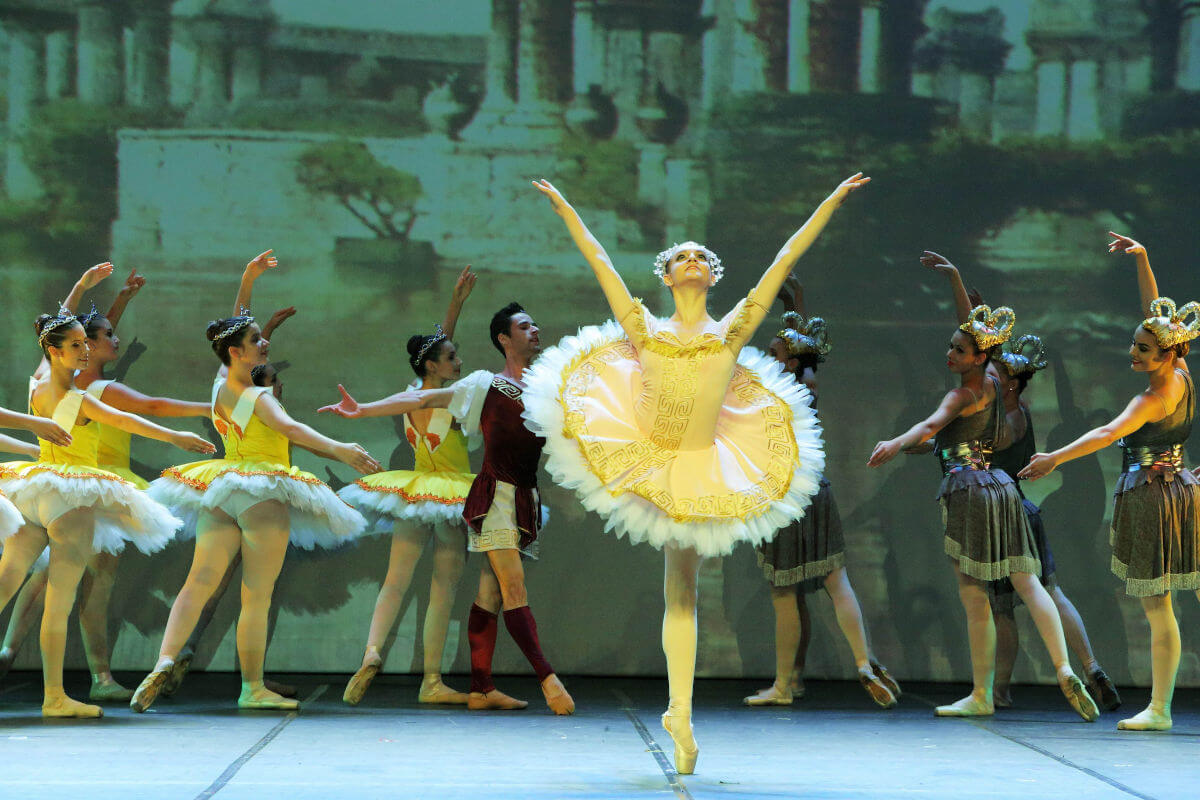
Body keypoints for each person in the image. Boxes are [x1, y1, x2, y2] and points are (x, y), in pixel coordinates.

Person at [517, 174, 863, 774]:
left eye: (702, 255)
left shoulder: (732, 331)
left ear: (712, 275)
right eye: (683, 257)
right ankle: (680, 711)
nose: (694, 260)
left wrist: (829, 201)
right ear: (668, 276)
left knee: (685, 591)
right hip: (650, 455)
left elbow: (784, 259)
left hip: (703, 466)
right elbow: (599, 260)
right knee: (678, 591)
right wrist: (566, 206)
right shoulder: (644, 328)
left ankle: (681, 713)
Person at [133, 252, 381, 712]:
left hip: (223, 489)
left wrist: (247, 279)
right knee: (256, 595)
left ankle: (164, 660)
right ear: (236, 352)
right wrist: (341, 449)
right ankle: (252, 687)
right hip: (261, 492)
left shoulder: (220, 386)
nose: (264, 341)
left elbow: (233, 326)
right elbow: (293, 430)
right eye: (256, 340)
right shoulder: (257, 396)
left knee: (197, 582)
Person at [321, 300, 574, 716]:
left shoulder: (541, 386)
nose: (535, 330)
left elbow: (425, 382)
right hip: (480, 494)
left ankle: (466, 683)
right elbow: (427, 395)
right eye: (525, 326)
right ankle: (540, 680)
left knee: (474, 592)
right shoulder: (480, 387)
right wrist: (363, 409)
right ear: (504, 339)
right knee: (475, 588)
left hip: (488, 495)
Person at [868, 282, 1099, 722]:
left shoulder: (962, 394)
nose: (949, 354)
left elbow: (930, 424)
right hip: (1002, 486)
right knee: (1028, 584)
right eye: (950, 346)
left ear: (978, 358)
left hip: (968, 490)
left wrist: (895, 442)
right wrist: (957, 282)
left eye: (958, 350)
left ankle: (981, 694)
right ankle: (1065, 668)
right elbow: (978, 339)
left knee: (975, 596)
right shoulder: (994, 382)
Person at [0, 266, 212, 702]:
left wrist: (83, 288)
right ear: (61, 350)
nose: (86, 349)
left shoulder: (40, 383)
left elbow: (63, 333)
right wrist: (181, 432)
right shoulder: (84, 397)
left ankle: (25, 662)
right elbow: (136, 417)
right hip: (75, 497)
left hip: (35, 490)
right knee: (64, 596)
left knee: (15, 582)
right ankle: (64, 691)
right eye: (79, 345)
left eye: (87, 343)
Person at [920, 252, 1120, 711]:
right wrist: (965, 294)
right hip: (1015, 506)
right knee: (1042, 591)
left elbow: (977, 363)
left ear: (1008, 382)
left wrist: (933, 441)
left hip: (999, 508)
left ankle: (998, 689)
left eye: (995, 371)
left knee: (1003, 603)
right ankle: (1084, 668)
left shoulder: (1007, 413)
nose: (988, 373)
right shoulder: (1009, 403)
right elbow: (977, 344)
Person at [1020, 232, 1200, 731]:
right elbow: (1156, 316)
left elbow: (1106, 433)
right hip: (1180, 490)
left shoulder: (1151, 399)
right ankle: (1160, 707)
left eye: (1143, 349)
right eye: (1134, 344)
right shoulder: (1182, 373)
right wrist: (1142, 260)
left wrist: (1054, 457)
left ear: (1165, 354)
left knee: (1159, 607)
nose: (1133, 352)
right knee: (1172, 602)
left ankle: (1160, 708)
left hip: (1156, 498)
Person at [745, 277, 900, 709]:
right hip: (817, 489)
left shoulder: (779, 390)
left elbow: (798, 352)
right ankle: (864, 662)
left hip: (787, 495)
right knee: (834, 581)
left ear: (790, 362)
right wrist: (795, 302)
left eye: (773, 354)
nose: (766, 359)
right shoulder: (805, 379)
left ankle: (783, 684)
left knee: (784, 593)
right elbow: (803, 349)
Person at [338, 266, 478, 705]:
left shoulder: (413, 392)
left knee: (395, 580)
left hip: (414, 494)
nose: (459, 362)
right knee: (442, 587)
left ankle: (372, 651)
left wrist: (455, 305)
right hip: (452, 494)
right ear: (434, 365)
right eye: (452, 358)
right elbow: (438, 357)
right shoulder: (454, 398)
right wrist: (455, 304)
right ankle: (431, 679)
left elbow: (433, 353)